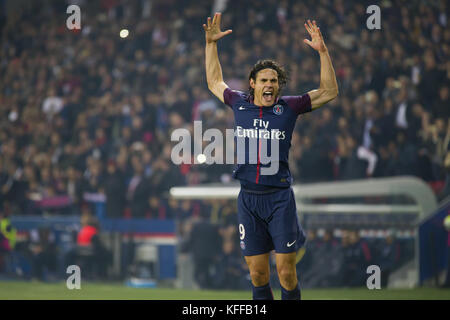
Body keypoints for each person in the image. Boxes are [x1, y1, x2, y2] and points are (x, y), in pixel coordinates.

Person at [203, 13, 338, 300]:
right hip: (248, 200)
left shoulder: (289, 107)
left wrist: (323, 53)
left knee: (286, 273)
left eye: (274, 81)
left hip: (279, 199)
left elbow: (330, 91)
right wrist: (210, 45)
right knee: (257, 274)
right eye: (264, 80)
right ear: (252, 83)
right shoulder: (239, 103)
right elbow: (215, 81)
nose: (270, 85)